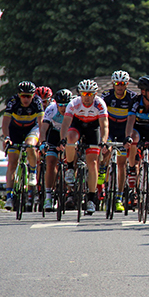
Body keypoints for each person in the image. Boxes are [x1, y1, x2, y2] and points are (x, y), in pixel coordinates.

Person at [59, 79, 109, 215]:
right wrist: (62, 139)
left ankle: (92, 199)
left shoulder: (100, 104)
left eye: (90, 94)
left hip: (93, 128)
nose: (87, 97)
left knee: (92, 163)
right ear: (80, 94)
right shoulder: (74, 103)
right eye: (84, 94)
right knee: (70, 138)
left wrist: (103, 141)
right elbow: (66, 123)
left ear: (95, 94)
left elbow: (104, 125)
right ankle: (70, 167)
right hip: (78, 125)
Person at [2, 81, 44, 211]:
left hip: (31, 128)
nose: (26, 99)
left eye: (29, 96)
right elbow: (5, 122)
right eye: (23, 96)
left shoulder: (37, 102)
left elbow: (41, 122)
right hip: (15, 130)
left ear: (33, 95)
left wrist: (42, 139)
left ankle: (32, 172)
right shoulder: (13, 102)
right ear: (19, 95)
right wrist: (7, 138)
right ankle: (9, 197)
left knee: (30, 146)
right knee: (12, 163)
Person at [100, 70, 139, 211]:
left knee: (121, 164)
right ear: (113, 84)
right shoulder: (106, 96)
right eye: (117, 84)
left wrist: (128, 136)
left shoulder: (132, 98)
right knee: (105, 150)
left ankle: (119, 198)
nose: (120, 86)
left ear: (127, 84)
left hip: (124, 130)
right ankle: (103, 168)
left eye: (122, 84)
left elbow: (132, 119)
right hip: (110, 128)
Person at [125, 75, 149, 213]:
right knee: (132, 138)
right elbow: (130, 121)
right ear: (143, 92)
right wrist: (127, 137)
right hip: (138, 129)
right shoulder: (135, 101)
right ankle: (132, 168)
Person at [39, 88, 73, 210]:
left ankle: (71, 191)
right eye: (61, 105)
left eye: (66, 105)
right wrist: (42, 142)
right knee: (50, 161)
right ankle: (48, 195)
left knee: (73, 159)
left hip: (69, 134)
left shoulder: (74, 108)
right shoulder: (51, 109)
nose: (63, 108)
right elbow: (43, 129)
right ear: (56, 103)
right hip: (54, 134)